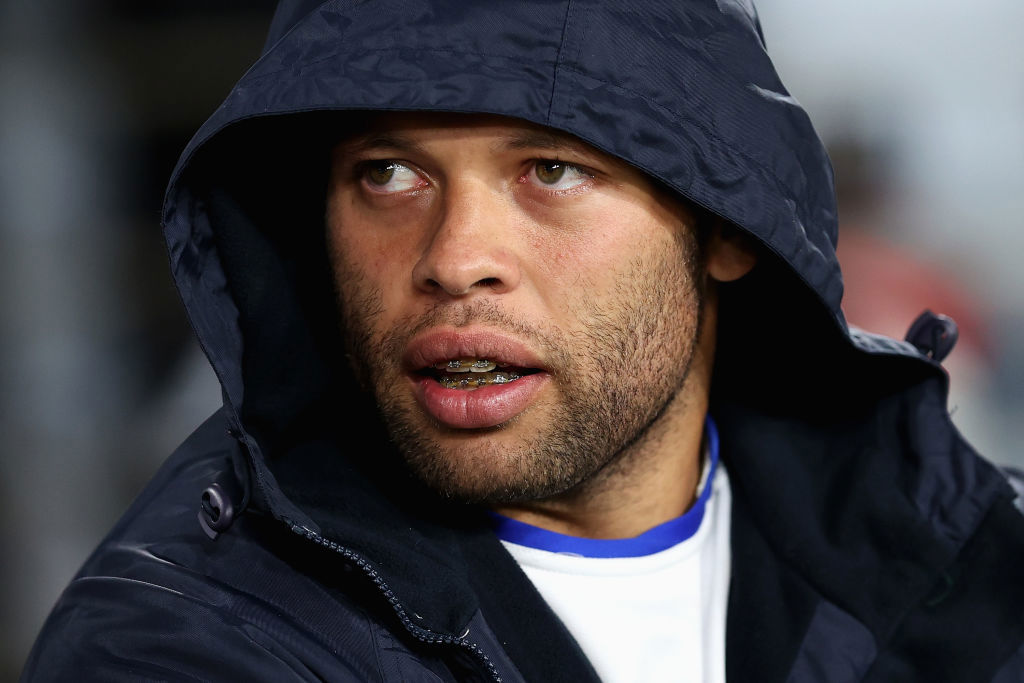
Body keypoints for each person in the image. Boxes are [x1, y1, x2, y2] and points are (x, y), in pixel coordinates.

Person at [22, 1, 1024, 681]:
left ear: (727, 227)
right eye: (387, 174)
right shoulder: (185, 642)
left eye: (551, 170)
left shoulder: (971, 564)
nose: (455, 258)